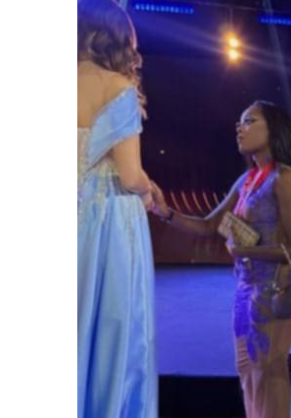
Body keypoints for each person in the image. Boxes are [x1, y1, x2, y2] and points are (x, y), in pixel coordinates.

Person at [150, 100, 291, 418]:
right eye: (239, 122)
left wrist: (247, 251)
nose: (239, 127)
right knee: (247, 370)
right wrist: (164, 212)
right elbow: (208, 225)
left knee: (269, 371)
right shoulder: (248, 179)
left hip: (273, 291)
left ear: (274, 129)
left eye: (249, 121)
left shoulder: (284, 178)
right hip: (245, 288)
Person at [77, 0, 157, 417]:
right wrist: (150, 189)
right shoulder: (117, 87)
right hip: (105, 219)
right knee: (114, 330)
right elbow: (129, 175)